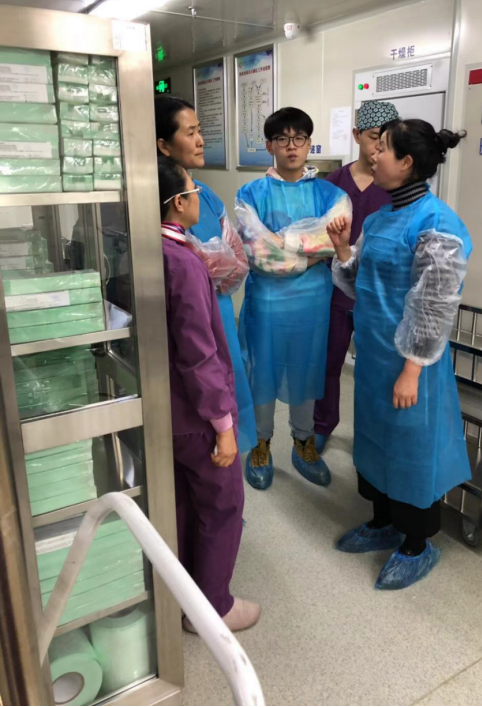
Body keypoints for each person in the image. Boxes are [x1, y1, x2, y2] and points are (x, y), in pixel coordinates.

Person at [328, 119, 473, 590]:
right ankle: (383, 520)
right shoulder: (379, 218)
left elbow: (434, 306)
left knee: (411, 447)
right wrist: (343, 249)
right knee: (373, 439)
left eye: (384, 149)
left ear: (407, 163)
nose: (374, 156)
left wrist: (411, 368)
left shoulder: (436, 224)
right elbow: (360, 284)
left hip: (413, 365)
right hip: (374, 355)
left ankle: (416, 542)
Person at [158, 156, 260, 631]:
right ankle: (213, 607)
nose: (200, 196)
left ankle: (184, 596)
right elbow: (199, 356)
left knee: (181, 502)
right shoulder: (183, 262)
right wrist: (222, 425)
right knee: (222, 504)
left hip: (167, 410)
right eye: (194, 190)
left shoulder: (148, 250)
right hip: (198, 416)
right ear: (179, 203)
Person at [236, 107, 351, 491]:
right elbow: (258, 255)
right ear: (269, 145)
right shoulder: (250, 194)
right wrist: (309, 250)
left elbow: (333, 244)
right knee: (262, 372)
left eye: (299, 138)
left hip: (312, 303)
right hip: (267, 302)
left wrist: (281, 243)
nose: (291, 146)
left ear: (308, 143)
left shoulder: (330, 194)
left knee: (307, 369)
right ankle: (260, 444)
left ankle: (304, 443)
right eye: (282, 139)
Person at [155, 96, 257, 455]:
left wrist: (212, 266)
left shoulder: (206, 195)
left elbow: (236, 264)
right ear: (164, 145)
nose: (200, 141)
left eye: (200, 131)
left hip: (220, 313)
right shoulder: (151, 203)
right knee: (194, 405)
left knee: (226, 383)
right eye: (190, 133)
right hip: (185, 322)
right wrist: (205, 266)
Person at [314, 100, 399, 454]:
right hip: (336, 291)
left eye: (387, 139)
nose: (379, 146)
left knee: (377, 371)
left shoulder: (396, 186)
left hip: (378, 295)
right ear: (356, 135)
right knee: (329, 363)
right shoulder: (332, 184)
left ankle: (373, 435)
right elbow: (315, 237)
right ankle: (322, 425)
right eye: (373, 137)